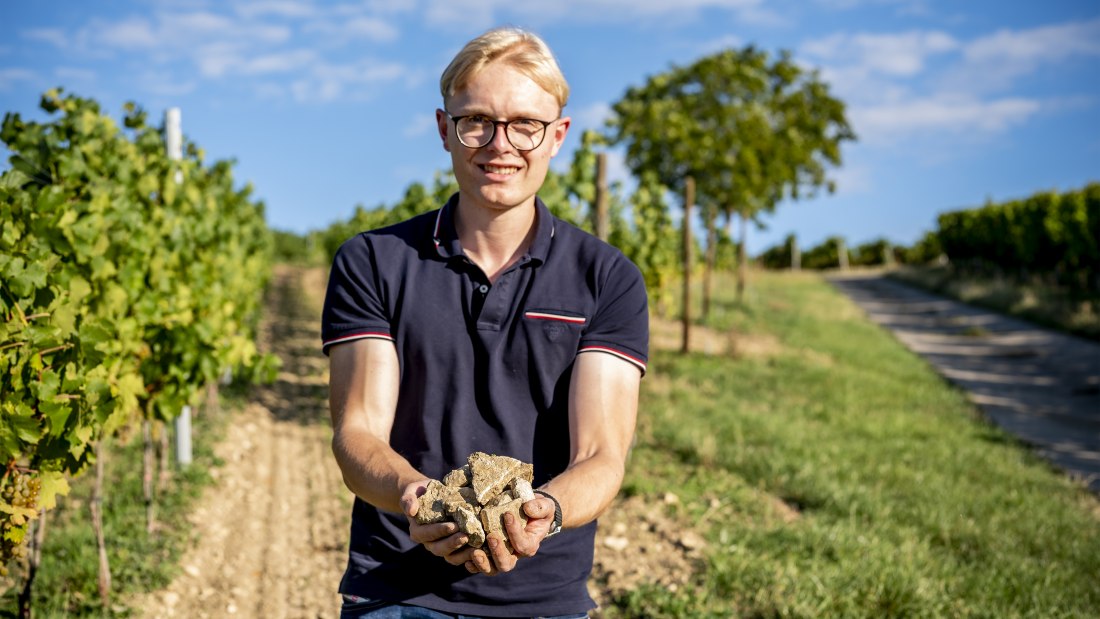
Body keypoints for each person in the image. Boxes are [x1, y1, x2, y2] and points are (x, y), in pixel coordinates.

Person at [322, 26, 648, 618]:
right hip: (394, 593)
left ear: (557, 136)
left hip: (543, 601)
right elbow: (358, 433)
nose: (501, 145)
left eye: (525, 124)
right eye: (478, 121)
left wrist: (542, 512)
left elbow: (601, 454)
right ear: (445, 130)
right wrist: (415, 496)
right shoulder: (373, 261)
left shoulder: (608, 277)